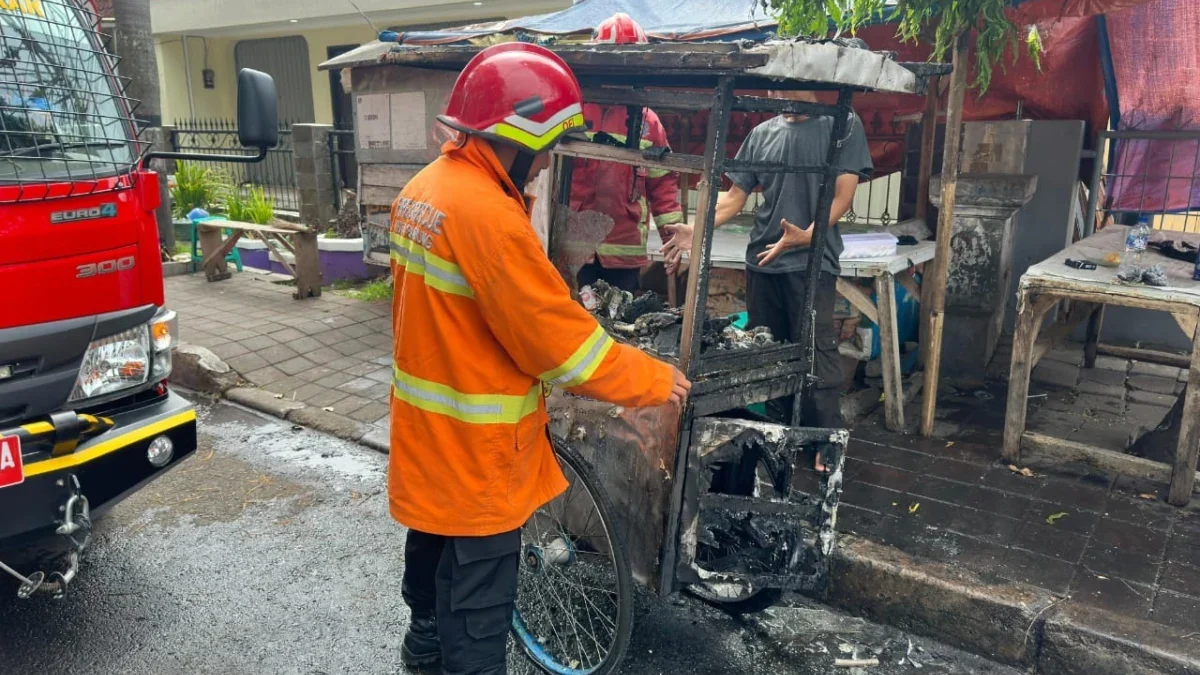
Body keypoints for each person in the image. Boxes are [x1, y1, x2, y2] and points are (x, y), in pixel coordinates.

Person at [388, 43, 691, 675]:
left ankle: (421, 656)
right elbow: (565, 350)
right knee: (476, 616)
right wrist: (655, 379)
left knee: (433, 581)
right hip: (478, 456)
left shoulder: (425, 189)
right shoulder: (489, 219)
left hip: (426, 440)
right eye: (552, 140)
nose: (553, 156)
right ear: (521, 133)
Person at [661, 89, 871, 471]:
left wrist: (807, 235)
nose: (776, 93)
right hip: (762, 260)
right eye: (771, 87)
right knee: (766, 349)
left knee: (815, 347)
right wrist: (698, 228)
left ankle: (826, 439)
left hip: (812, 261)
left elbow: (845, 193)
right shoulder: (761, 134)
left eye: (784, 84)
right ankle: (779, 434)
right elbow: (733, 197)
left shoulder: (842, 125)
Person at [570, 13, 684, 292]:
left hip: (624, 256)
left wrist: (674, 241)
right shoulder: (573, 111)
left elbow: (663, 188)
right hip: (572, 248)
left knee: (621, 324)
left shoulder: (648, 122)